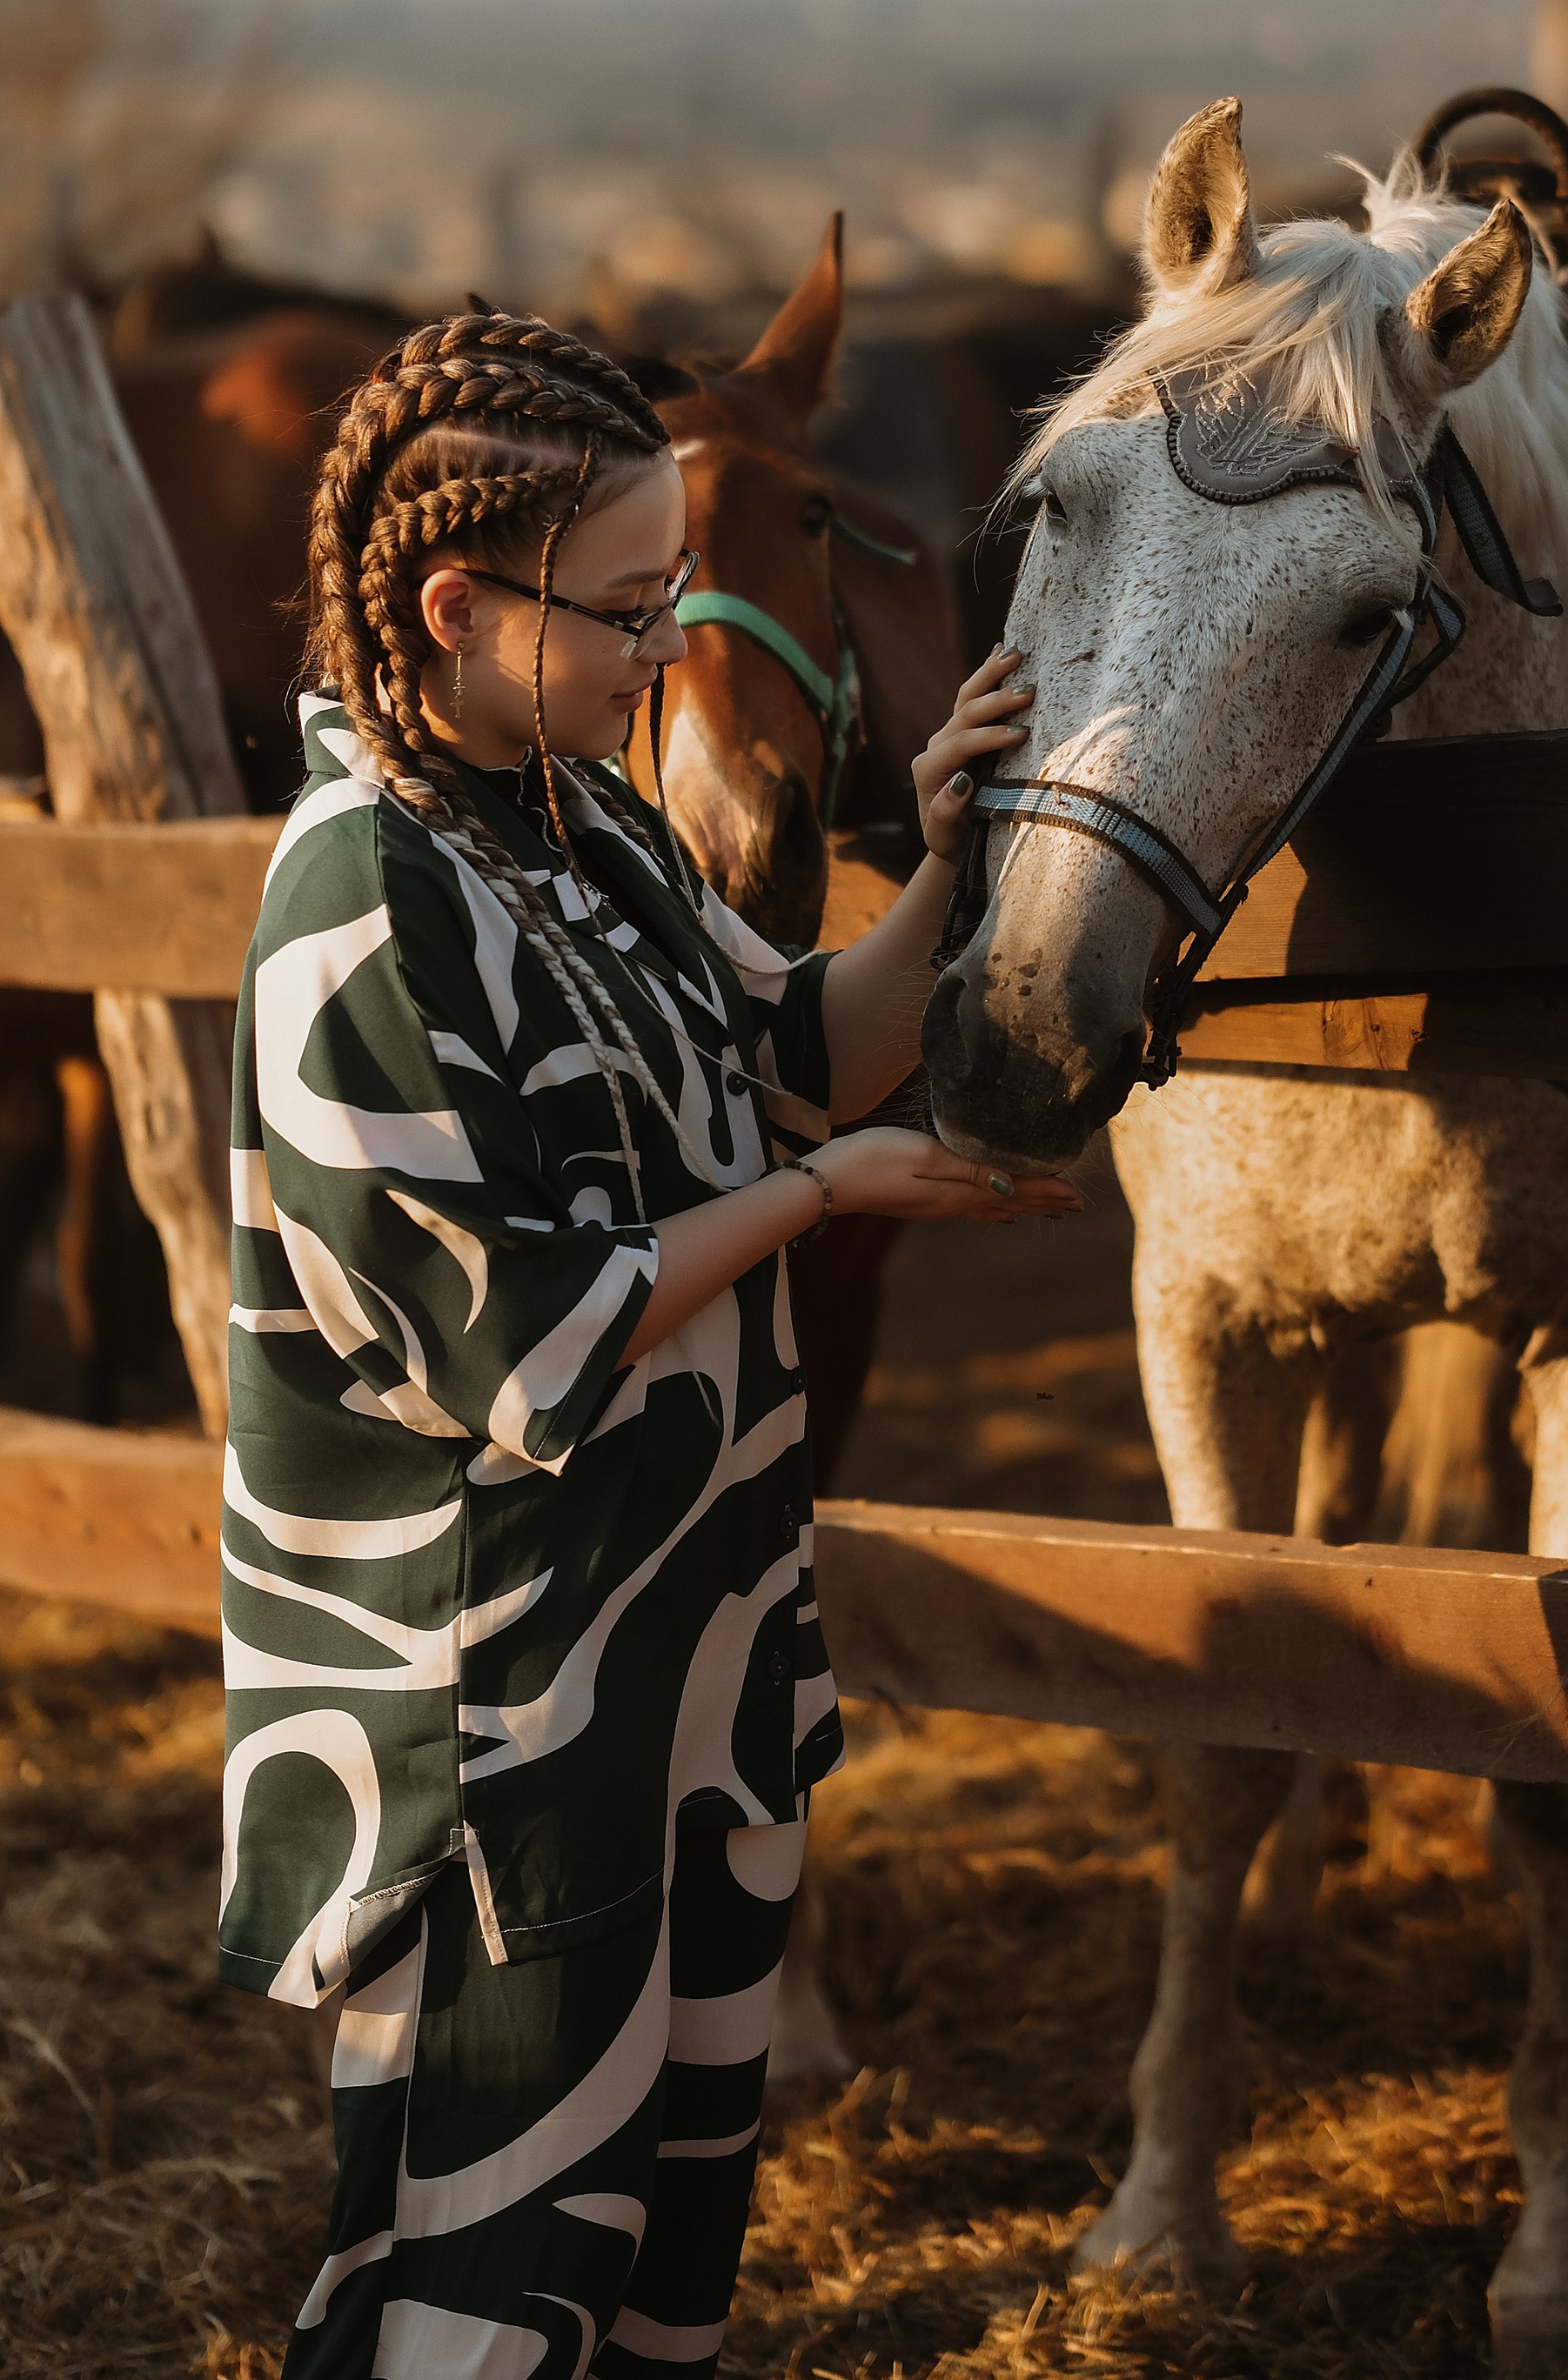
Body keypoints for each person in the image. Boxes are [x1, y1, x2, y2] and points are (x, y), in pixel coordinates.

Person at [218, 308, 1077, 2377]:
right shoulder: (364, 900)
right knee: (487, 2267)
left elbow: (797, 1047)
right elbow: (515, 1343)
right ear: (455, 610)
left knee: (664, 2246)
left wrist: (944, 861)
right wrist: (823, 1197)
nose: (665, 642)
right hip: (501, 1713)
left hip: (680, 1660)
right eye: (625, 606)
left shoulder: (574, 820)